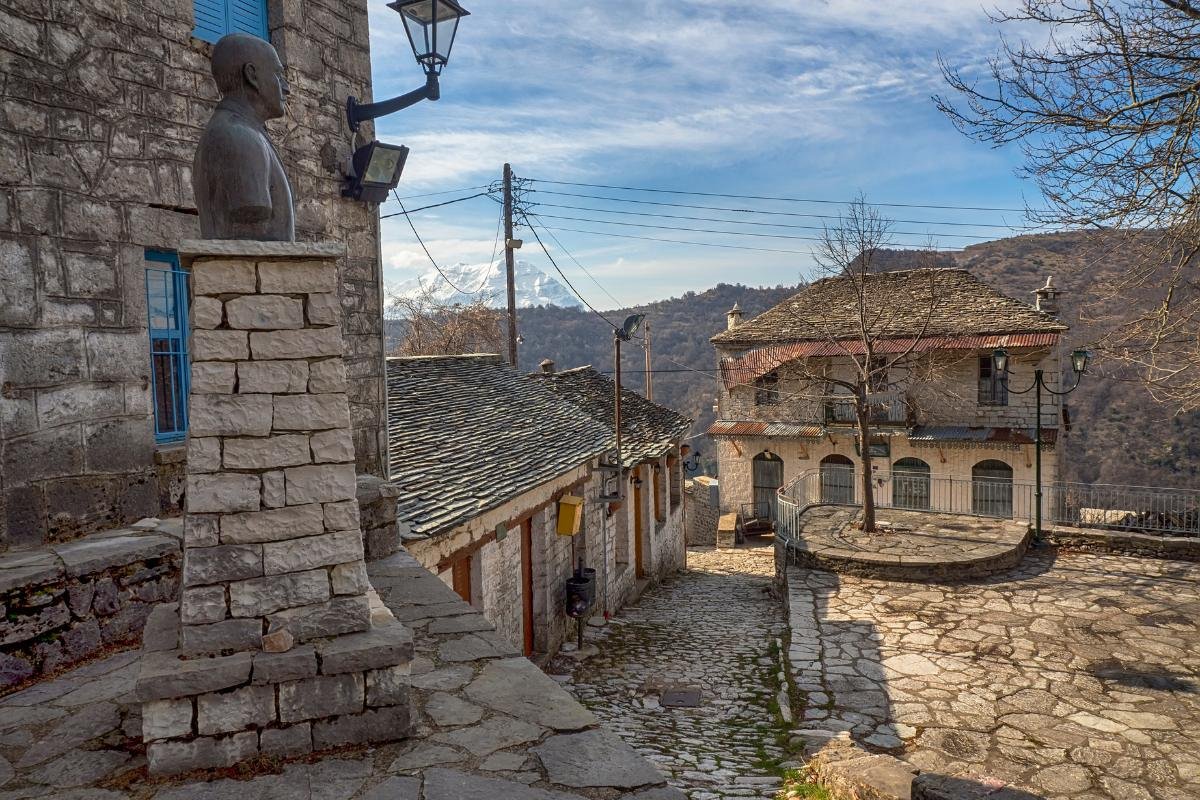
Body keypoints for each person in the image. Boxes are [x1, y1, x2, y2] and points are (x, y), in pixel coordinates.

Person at [193, 33, 295, 241]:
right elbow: (254, 217)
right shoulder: (239, 136)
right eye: (278, 75)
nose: (287, 87)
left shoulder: (242, 131)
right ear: (252, 76)